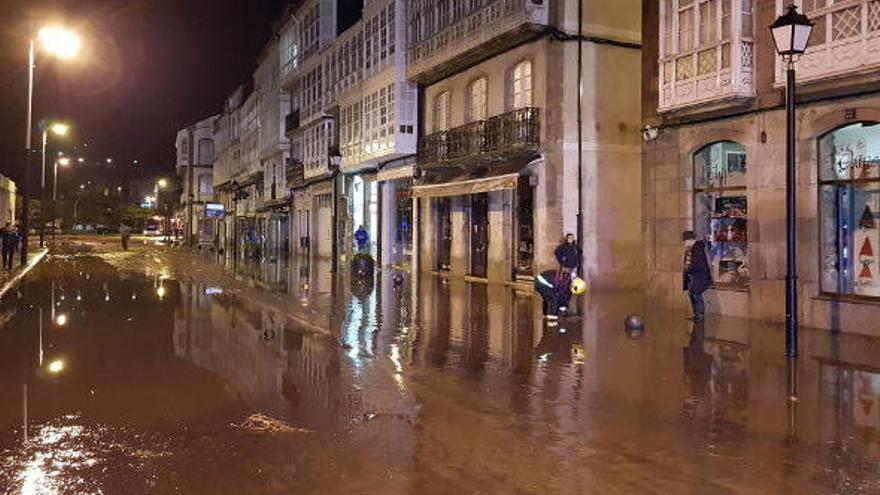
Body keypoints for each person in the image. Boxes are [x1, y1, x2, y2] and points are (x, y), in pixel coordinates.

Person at [683, 230, 712, 322]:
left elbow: (698, 265)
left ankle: (699, 315)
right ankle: (696, 314)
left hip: (699, 276)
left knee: (696, 294)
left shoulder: (697, 248)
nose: (684, 243)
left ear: (690, 240)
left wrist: (689, 270)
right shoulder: (691, 248)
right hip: (694, 276)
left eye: (685, 241)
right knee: (693, 294)